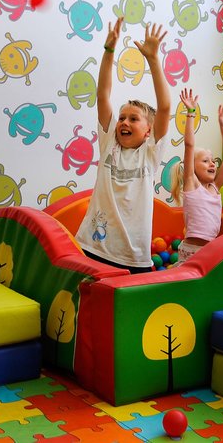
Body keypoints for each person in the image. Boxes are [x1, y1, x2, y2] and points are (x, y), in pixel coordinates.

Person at [75, 16, 171, 273]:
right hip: (93, 247)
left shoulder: (149, 153)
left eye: (133, 119)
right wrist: (109, 51)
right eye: (121, 118)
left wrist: (153, 59)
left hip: (134, 256)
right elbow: (102, 95)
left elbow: (164, 107)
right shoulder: (110, 144)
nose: (124, 122)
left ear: (148, 131)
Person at [170, 87, 223, 264]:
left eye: (213, 161)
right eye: (205, 161)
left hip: (211, 250)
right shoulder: (192, 184)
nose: (212, 164)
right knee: (188, 279)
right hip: (191, 251)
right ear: (192, 167)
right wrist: (190, 113)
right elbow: (189, 145)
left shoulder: (215, 188)